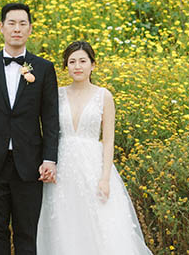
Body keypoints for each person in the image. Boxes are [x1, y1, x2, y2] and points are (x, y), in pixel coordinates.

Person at [36, 40, 153, 255]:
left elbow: (108, 140)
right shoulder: (57, 94)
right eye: (72, 62)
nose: (77, 66)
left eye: (82, 61)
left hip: (93, 166)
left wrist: (105, 178)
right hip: (63, 169)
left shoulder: (104, 96)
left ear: (92, 65)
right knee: (66, 223)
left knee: (100, 223)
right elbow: (49, 131)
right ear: (66, 66)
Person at [0, 3, 60, 255]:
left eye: (22, 24)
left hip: (29, 165)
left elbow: (50, 118)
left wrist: (50, 158)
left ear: (30, 29)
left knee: (27, 234)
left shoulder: (44, 68)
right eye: (11, 23)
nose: (17, 29)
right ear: (1, 27)